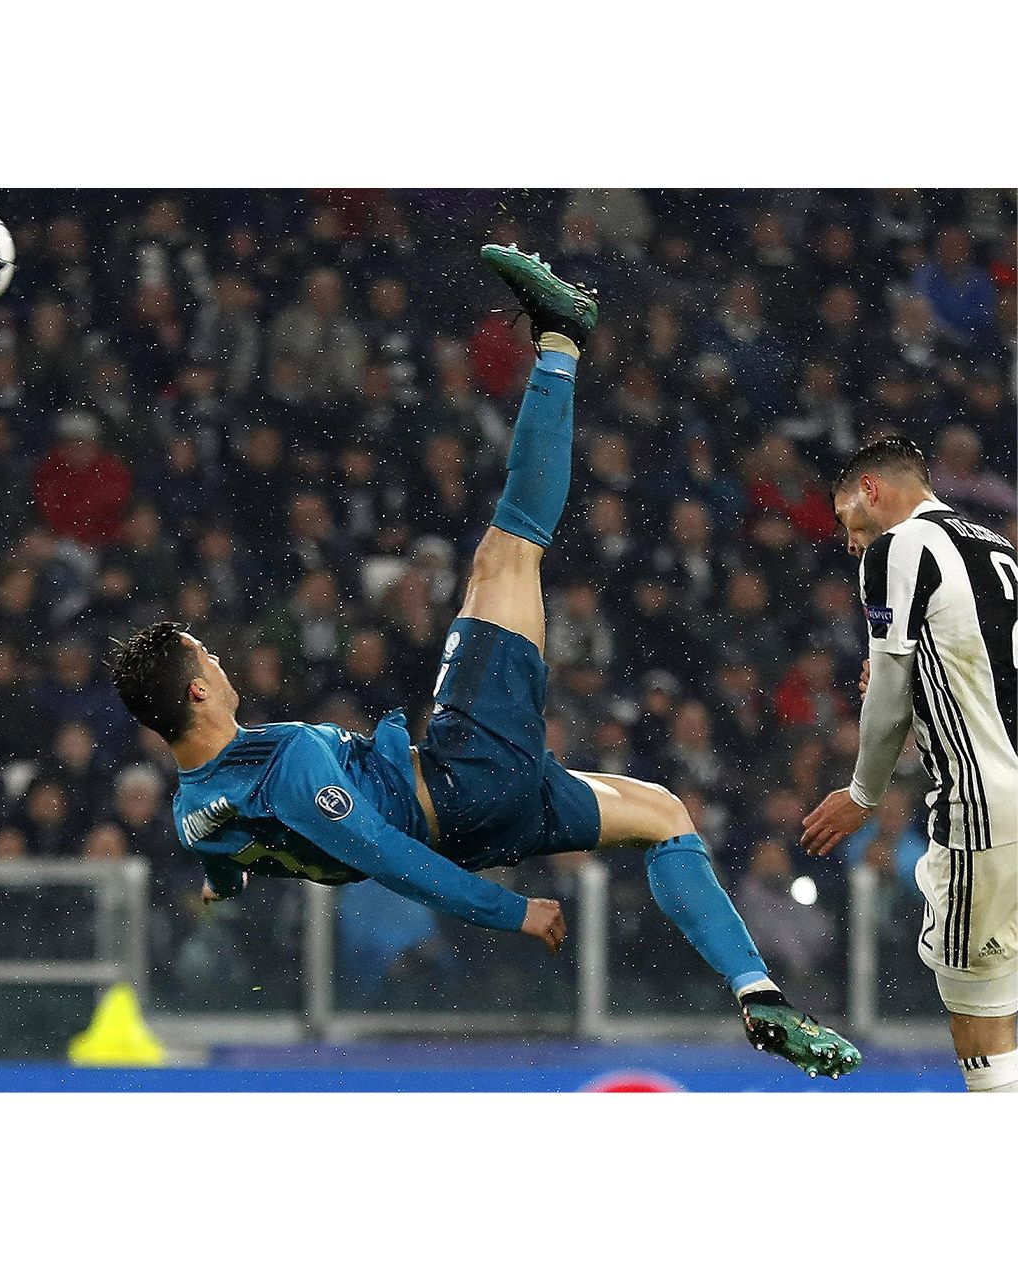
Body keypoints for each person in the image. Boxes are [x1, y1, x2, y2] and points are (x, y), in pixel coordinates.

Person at [111, 245, 860, 1079]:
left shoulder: (194, 810)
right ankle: (562, 339)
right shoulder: (286, 767)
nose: (221, 659)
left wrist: (225, 888)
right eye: (209, 655)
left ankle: (758, 992)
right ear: (199, 689)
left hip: (481, 817)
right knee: (508, 554)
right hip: (464, 780)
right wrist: (512, 913)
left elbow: (222, 858)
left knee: (664, 813)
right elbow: (388, 859)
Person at [804, 436, 1018, 1092]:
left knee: (978, 1004)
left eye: (846, 521)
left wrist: (862, 793)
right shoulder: (994, 544)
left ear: (871, 489)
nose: (849, 543)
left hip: (984, 805)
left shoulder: (897, 548)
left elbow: (889, 690)